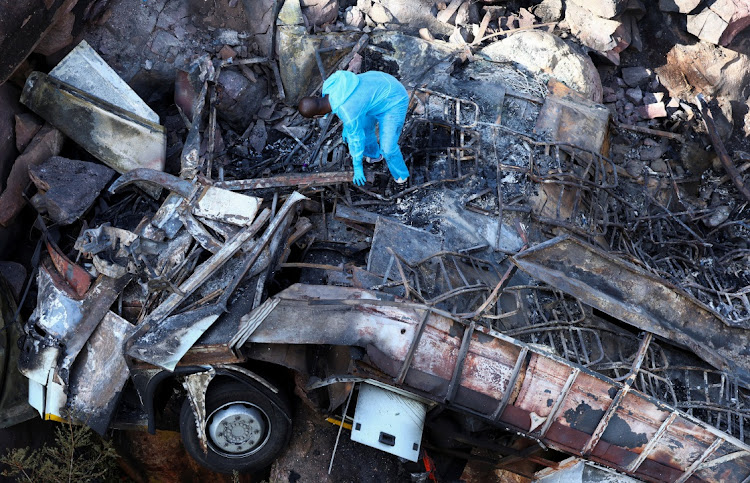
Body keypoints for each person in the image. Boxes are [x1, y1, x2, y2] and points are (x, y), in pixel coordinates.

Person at [298, 70, 410, 186]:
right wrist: (348, 127)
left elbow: (356, 138)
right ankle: (374, 156)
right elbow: (350, 102)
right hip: (380, 83)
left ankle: (401, 176)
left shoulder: (347, 112)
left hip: (394, 100)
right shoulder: (329, 85)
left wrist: (357, 167)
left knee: (388, 149)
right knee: (364, 129)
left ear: (317, 116)